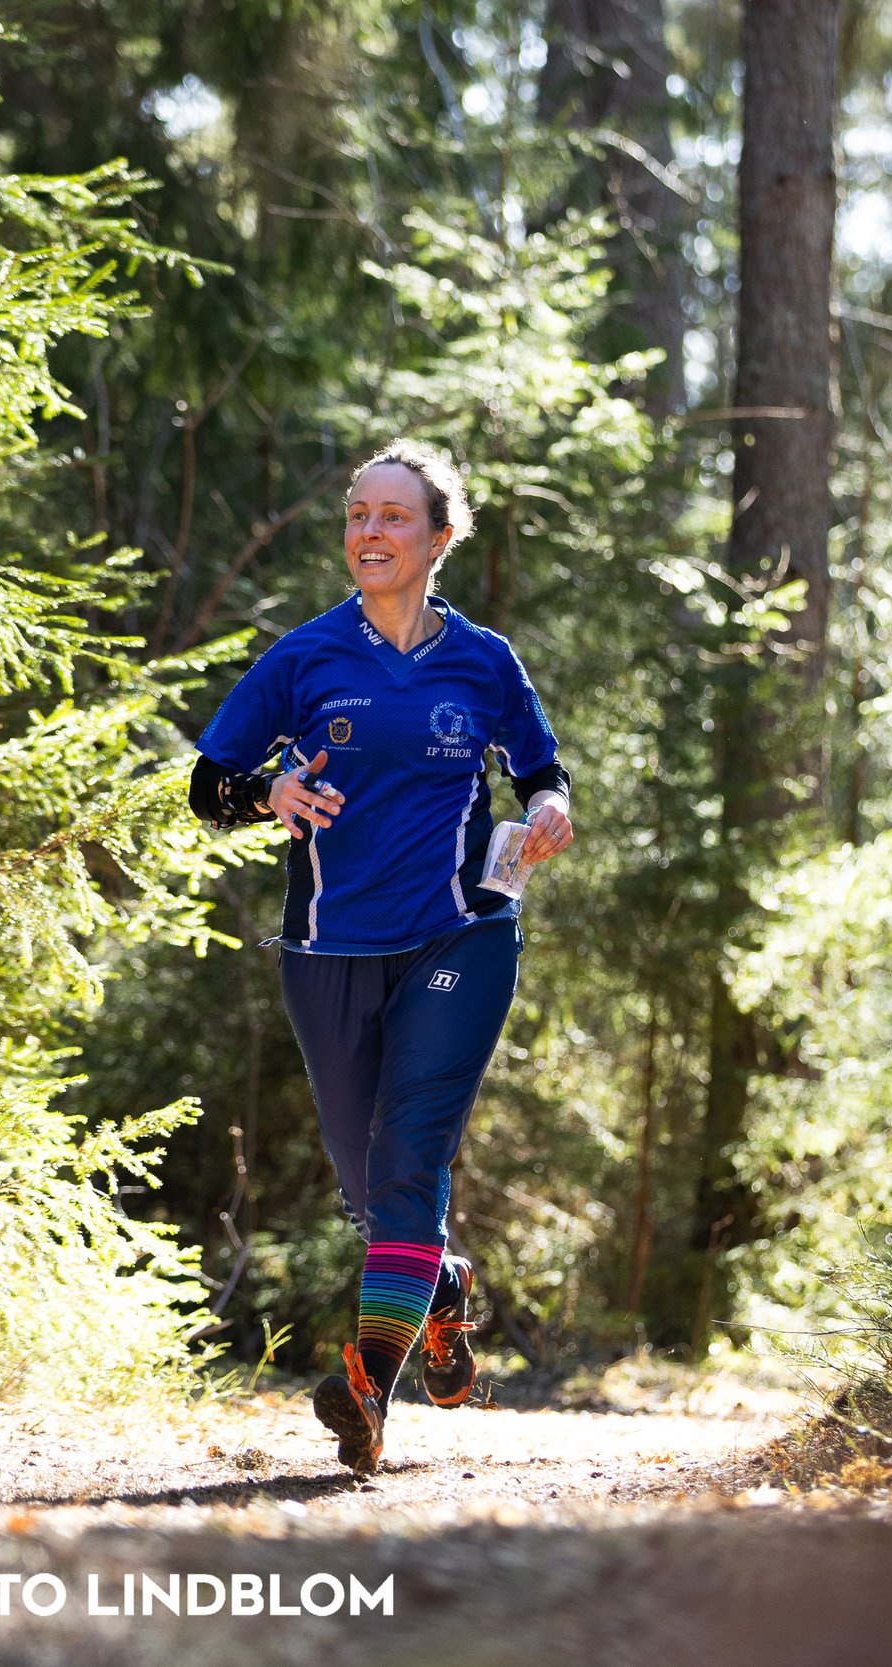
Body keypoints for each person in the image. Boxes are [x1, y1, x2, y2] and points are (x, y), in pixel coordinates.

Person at [187, 439, 572, 1475]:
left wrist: (546, 807)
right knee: (372, 1187)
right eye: (357, 513)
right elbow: (209, 779)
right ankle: (437, 1293)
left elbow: (541, 767)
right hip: (327, 947)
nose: (368, 530)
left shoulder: (483, 659)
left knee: (410, 1158)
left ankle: (366, 1385)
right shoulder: (306, 656)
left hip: (462, 930)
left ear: (439, 538)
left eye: (393, 516)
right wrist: (266, 791)